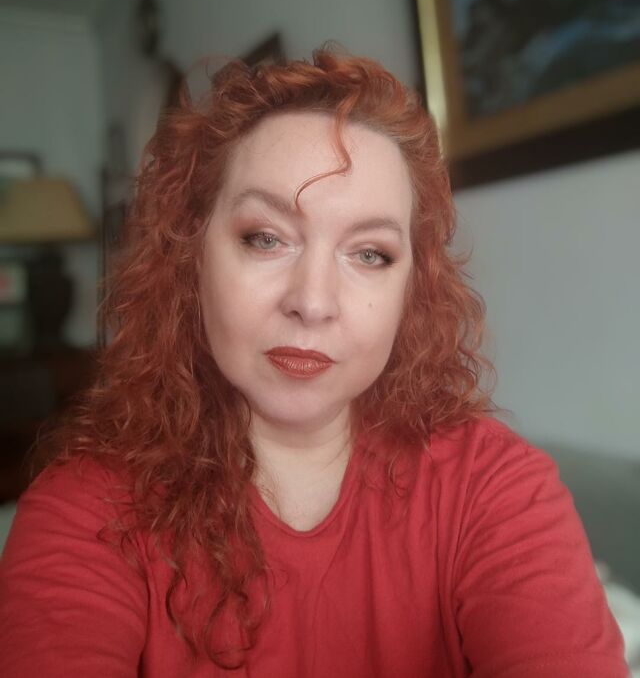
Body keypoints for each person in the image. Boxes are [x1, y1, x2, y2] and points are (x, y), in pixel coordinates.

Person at [0, 49, 627, 676]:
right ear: (192, 258)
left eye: (370, 254)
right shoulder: (87, 508)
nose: (313, 301)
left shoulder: (495, 489)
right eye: (265, 238)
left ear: (412, 290)